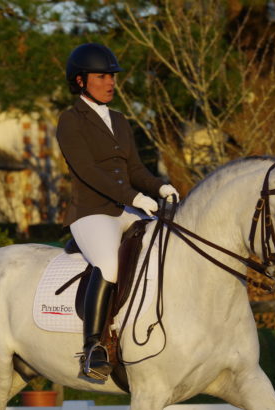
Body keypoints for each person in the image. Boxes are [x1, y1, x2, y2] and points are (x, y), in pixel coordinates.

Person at [56, 43, 180, 381]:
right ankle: (94, 348)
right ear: (81, 81)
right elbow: (88, 172)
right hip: (92, 213)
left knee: (167, 246)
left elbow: (136, 169)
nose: (110, 82)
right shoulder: (70, 121)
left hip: (127, 207)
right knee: (109, 264)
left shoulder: (120, 120)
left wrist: (159, 187)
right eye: (102, 76)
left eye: (112, 76)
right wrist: (135, 198)